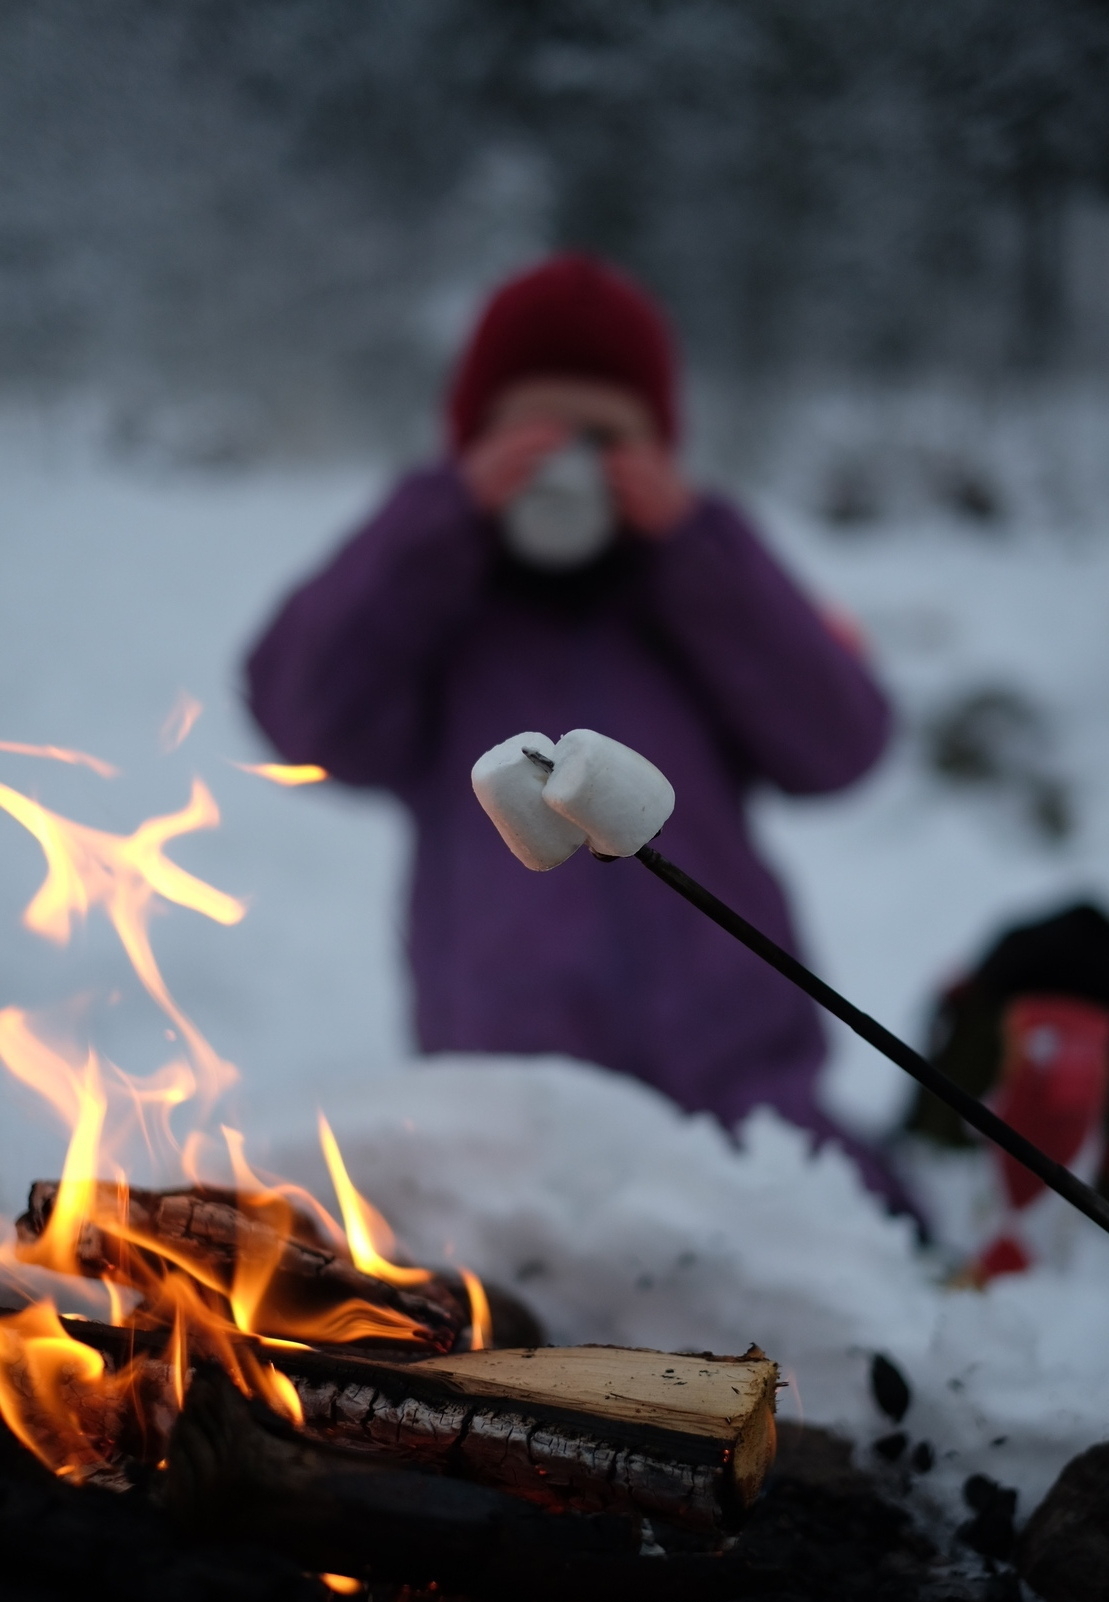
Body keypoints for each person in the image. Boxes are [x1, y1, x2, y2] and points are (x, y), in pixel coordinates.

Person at [246, 254, 898, 1200]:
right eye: (537, 434)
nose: (568, 465)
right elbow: (304, 715)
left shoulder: (694, 591)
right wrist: (436, 524)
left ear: (659, 449)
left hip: (744, 1084)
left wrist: (698, 549)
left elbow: (841, 746)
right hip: (512, 1105)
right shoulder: (438, 608)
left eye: (603, 436)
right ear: (474, 444)